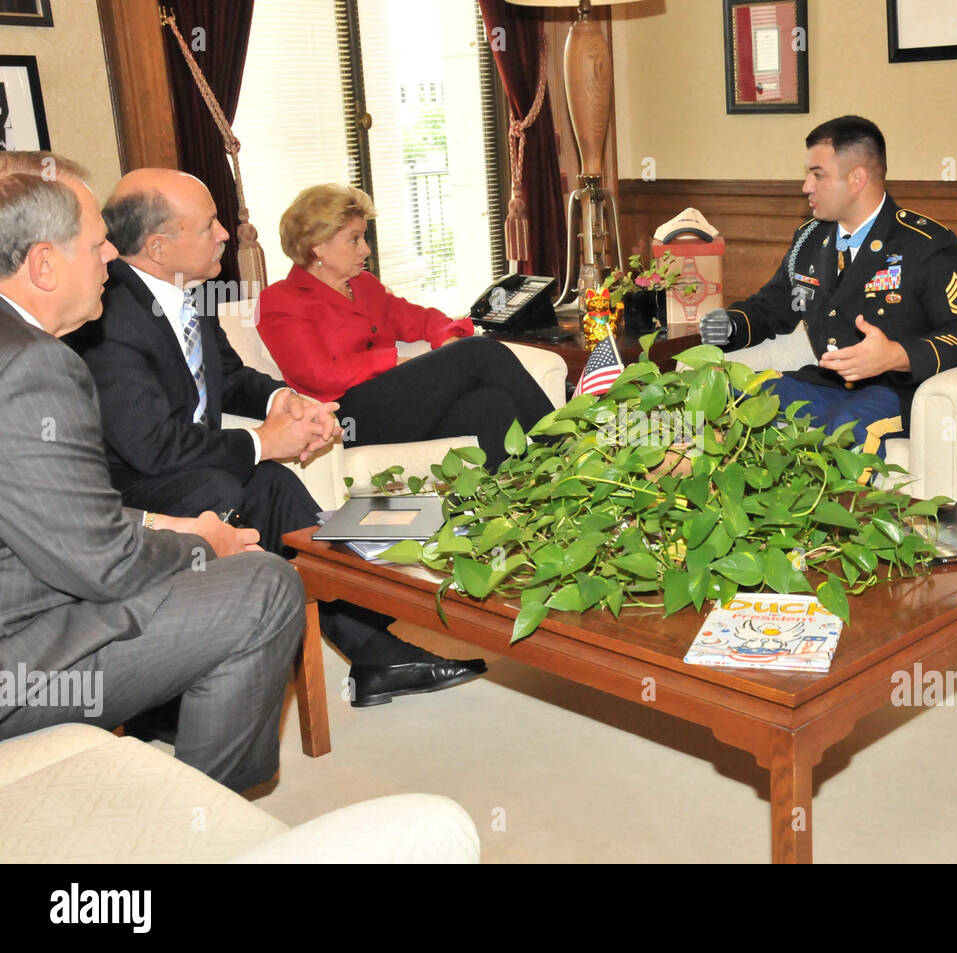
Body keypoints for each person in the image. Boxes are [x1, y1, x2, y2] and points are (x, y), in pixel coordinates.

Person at [68, 168, 485, 708]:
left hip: (187, 469)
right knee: (234, 485)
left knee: (273, 487)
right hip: (126, 496)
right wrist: (266, 441)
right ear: (158, 245)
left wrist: (283, 400)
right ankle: (188, 687)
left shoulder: (182, 296)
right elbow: (152, 451)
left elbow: (232, 374)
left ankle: (369, 639)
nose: (225, 234)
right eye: (210, 223)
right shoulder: (114, 316)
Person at [0, 152, 304, 791]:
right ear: (44, 265)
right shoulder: (34, 367)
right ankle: (210, 824)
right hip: (19, 659)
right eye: (97, 245)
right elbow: (103, 565)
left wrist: (158, 522)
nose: (113, 257)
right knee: (263, 585)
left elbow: (51, 511)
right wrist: (199, 541)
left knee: (241, 506)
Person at [700, 115, 957, 455]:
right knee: (724, 393)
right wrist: (731, 325)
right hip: (826, 383)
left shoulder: (923, 243)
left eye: (817, 175)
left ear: (857, 178)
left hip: (898, 391)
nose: (806, 186)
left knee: (845, 430)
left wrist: (896, 356)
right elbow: (773, 307)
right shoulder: (810, 238)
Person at [255, 183, 554, 470]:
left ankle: (512, 506)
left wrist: (447, 337)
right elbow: (319, 374)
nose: (366, 249)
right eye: (355, 239)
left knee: (492, 404)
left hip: (399, 408)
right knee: (479, 352)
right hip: (347, 419)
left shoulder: (364, 286)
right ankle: (564, 448)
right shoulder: (281, 301)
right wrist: (391, 362)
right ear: (318, 246)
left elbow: (417, 319)